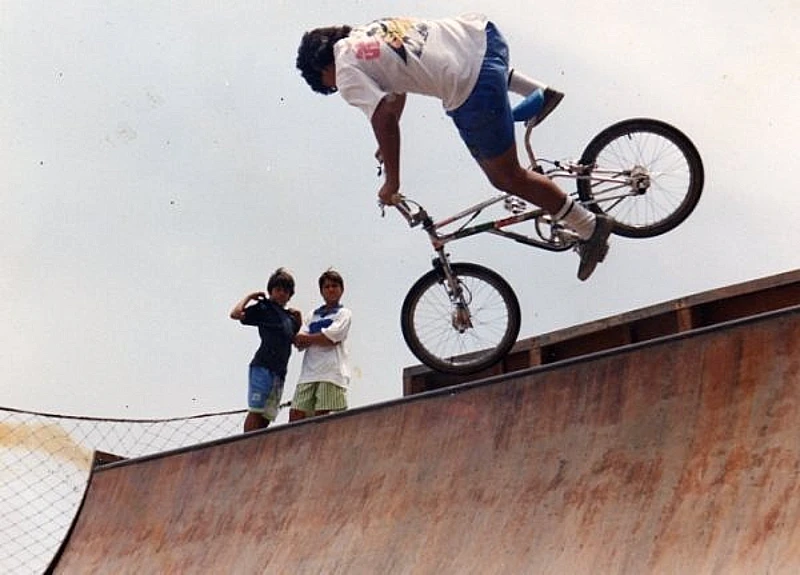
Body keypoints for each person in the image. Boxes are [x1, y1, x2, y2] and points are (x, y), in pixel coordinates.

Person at [296, 14, 613, 281]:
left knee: (505, 176)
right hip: (483, 37)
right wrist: (386, 142)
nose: (338, 88)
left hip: (472, 87)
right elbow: (396, 92)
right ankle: (540, 92)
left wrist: (392, 181)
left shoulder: (346, 70)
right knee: (477, 79)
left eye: (330, 85)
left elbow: (382, 118)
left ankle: (589, 227)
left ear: (323, 69)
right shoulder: (370, 32)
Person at [230, 268, 302, 432]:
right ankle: (247, 444)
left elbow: (294, 338)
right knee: (256, 410)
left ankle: (258, 444)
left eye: (286, 291)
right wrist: (249, 297)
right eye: (278, 289)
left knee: (266, 415)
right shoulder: (264, 308)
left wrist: (298, 318)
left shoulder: (289, 317)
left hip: (280, 371)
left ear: (290, 295)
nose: (282, 293)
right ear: (271, 291)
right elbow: (235, 314)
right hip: (263, 366)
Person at [289, 269, 352, 422]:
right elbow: (299, 341)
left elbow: (332, 338)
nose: (331, 289)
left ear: (341, 289)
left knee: (322, 418)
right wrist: (320, 337)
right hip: (308, 374)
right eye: (327, 286)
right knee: (296, 415)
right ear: (321, 291)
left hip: (331, 373)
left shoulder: (343, 313)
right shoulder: (313, 315)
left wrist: (310, 338)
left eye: (334, 286)